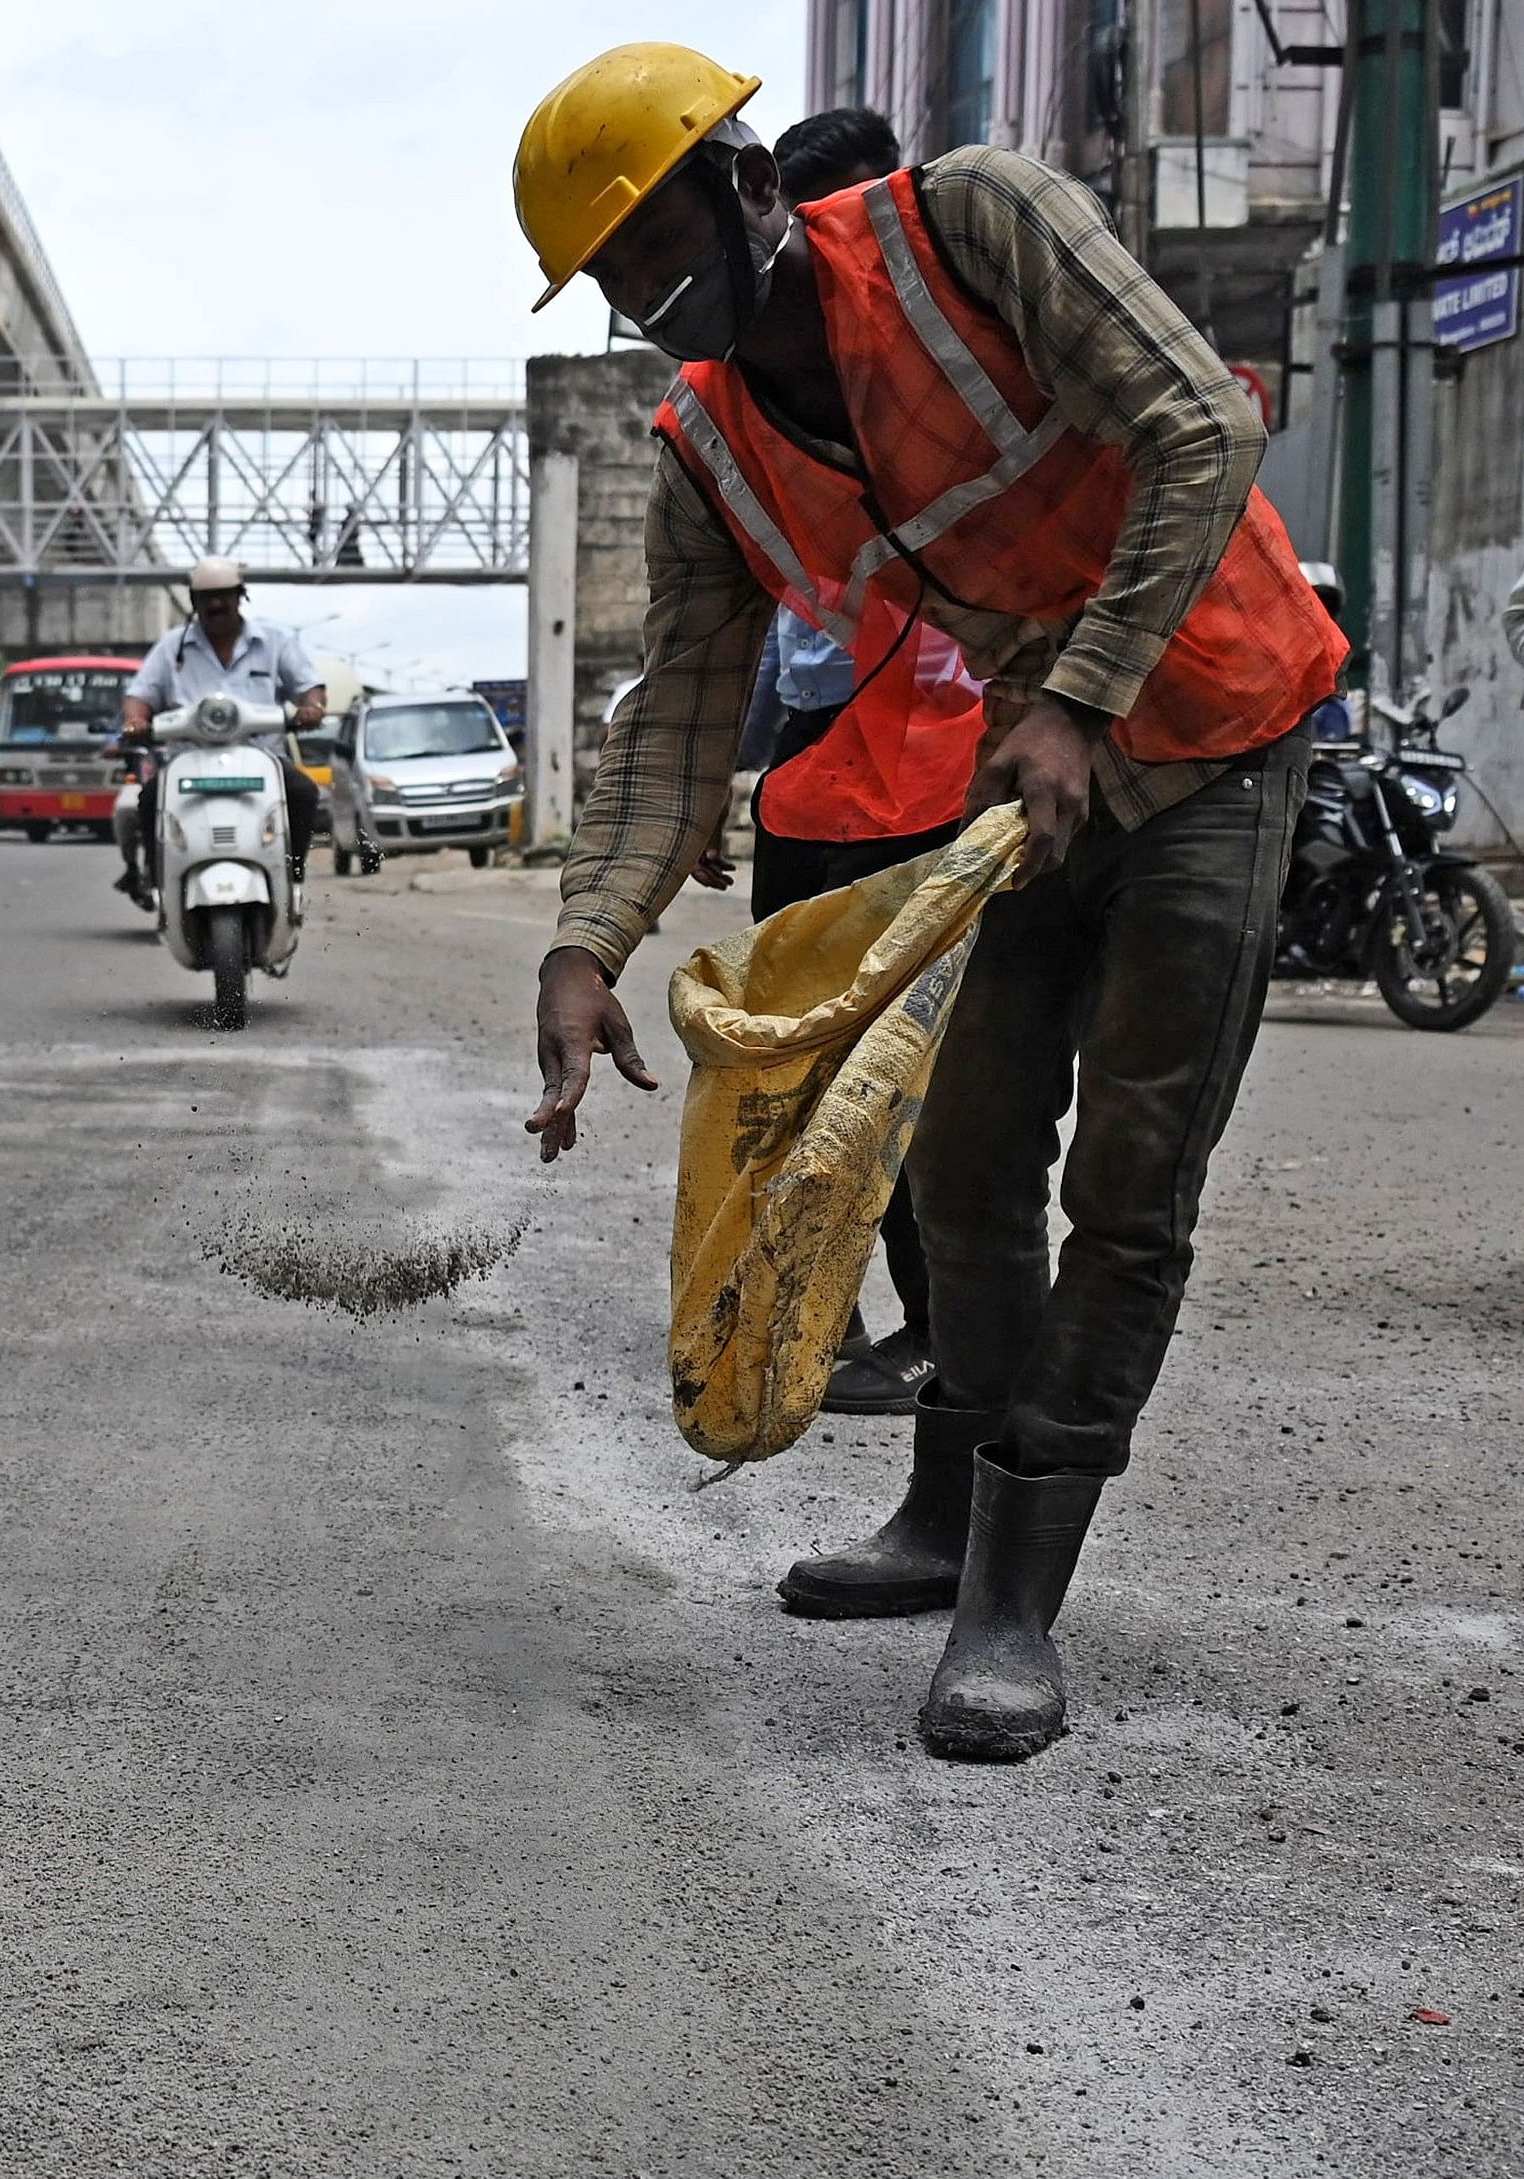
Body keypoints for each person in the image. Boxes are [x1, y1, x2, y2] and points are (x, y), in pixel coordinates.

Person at [515, 45, 1343, 1761]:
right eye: (621, 293)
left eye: (665, 263)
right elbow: (675, 721)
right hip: (1025, 781)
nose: (661, 313)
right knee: (956, 1152)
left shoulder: (973, 222)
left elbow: (1201, 425)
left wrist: (1084, 689)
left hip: (1213, 737)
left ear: (750, 189)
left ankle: (1013, 1590)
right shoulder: (708, 450)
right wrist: (587, 940)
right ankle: (942, 1506)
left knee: (1128, 1176)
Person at [687, 107, 968, 1420]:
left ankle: (933, 1329)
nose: (862, 255)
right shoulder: (752, 403)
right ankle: (821, 1297)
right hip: (823, 764)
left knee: (928, 1069)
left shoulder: (964, 359)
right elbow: (745, 623)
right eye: (829, 228)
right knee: (797, 1054)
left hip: (946, 764)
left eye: (878, 216)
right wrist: (713, 780)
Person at [116, 559, 354, 900]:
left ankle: (292, 877)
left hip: (263, 758)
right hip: (189, 759)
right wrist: (136, 720)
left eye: (224, 595)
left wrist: (311, 707)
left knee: (303, 793)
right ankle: (159, 882)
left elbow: (308, 686)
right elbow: (140, 695)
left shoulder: (275, 642)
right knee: (150, 799)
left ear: (240, 596)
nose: (216, 604)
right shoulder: (171, 648)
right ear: (194, 602)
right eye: (207, 597)